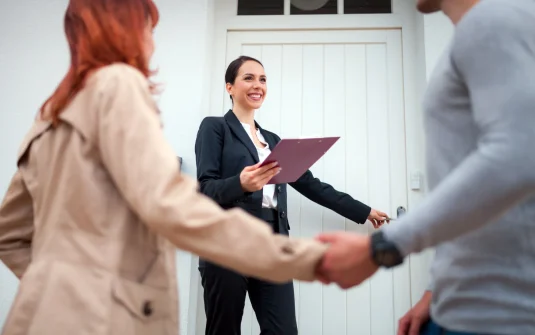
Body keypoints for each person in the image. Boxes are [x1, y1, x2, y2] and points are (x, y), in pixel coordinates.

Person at [0, 1, 329, 334]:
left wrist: (58, 288)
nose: (152, 43)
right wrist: (304, 257)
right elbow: (178, 206)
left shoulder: (50, 114)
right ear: (123, 32)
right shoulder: (119, 85)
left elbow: (8, 236)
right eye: (148, 30)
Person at [316, 0, 535, 334]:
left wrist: (382, 246)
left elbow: (519, 153)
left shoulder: (492, 20)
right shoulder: (479, 31)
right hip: (461, 303)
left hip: (502, 313)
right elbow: (472, 184)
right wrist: (436, 290)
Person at [194, 55, 389, 335]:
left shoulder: (273, 141)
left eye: (262, 79)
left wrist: (364, 211)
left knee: (283, 330)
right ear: (229, 87)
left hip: (273, 242)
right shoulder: (215, 127)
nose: (257, 85)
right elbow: (205, 189)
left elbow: (312, 186)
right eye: (248, 78)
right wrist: (241, 183)